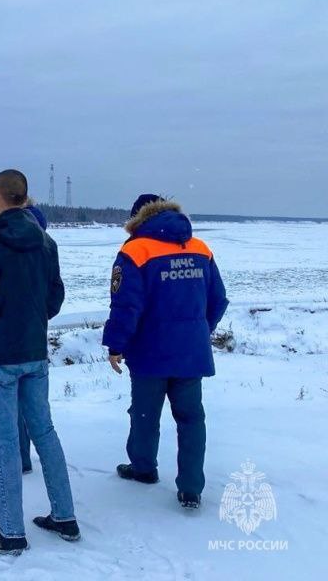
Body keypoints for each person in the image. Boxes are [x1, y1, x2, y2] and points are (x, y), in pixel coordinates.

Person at [0, 169, 80, 555]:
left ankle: (11, 531)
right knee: (44, 432)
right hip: (33, 352)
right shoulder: (45, 242)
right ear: (25, 199)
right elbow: (54, 298)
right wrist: (29, 320)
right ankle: (65, 516)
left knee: (7, 440)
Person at [102, 194, 229, 510]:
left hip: (150, 352)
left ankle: (143, 468)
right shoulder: (200, 248)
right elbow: (219, 299)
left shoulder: (135, 250)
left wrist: (117, 344)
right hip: (191, 353)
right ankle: (191, 488)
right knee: (191, 419)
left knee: (145, 415)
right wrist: (198, 330)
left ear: (137, 218)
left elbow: (126, 306)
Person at [0, 197, 48, 480]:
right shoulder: (39, 231)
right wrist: (37, 316)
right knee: (36, 417)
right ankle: (18, 456)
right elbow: (53, 292)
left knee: (10, 413)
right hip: (32, 336)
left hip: (5, 340)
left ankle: (14, 459)